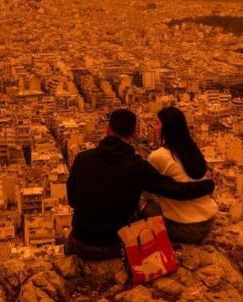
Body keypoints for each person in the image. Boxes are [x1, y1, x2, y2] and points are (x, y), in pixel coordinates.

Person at [66, 108, 215, 260]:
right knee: (143, 207)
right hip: (117, 244)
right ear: (134, 134)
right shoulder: (137, 167)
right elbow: (175, 190)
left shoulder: (82, 159)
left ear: (107, 130)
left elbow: (72, 200)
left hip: (82, 243)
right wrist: (207, 185)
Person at [143, 107, 217, 244]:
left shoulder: (157, 156)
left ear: (167, 129)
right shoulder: (193, 151)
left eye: (158, 123)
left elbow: (147, 194)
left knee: (146, 206)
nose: (155, 127)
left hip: (186, 231)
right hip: (208, 223)